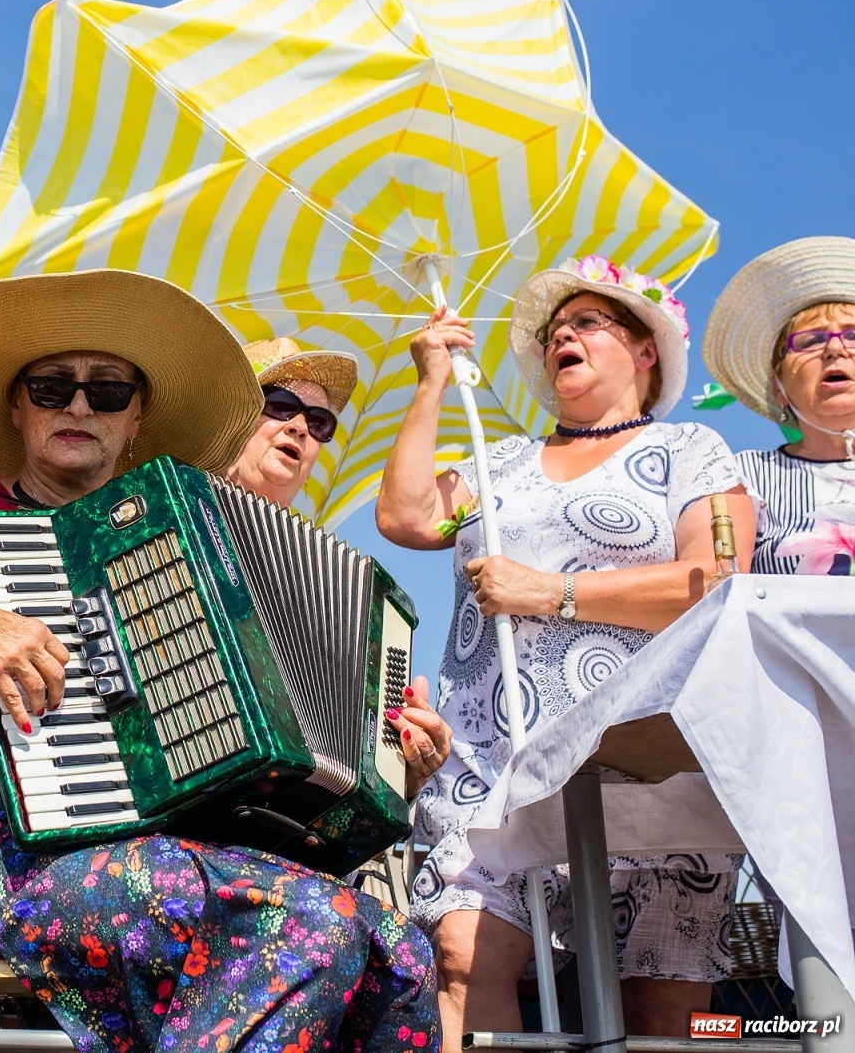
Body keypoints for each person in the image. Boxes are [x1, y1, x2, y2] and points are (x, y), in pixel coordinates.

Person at [0, 268, 450, 1053]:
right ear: (15, 406)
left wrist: (399, 755)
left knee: (399, 953)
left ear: (136, 418)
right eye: (50, 388)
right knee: (305, 923)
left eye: (106, 392)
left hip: (162, 849)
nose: (78, 405)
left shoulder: (180, 543)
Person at [374, 256, 757, 1047]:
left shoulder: (692, 448)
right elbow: (407, 515)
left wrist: (552, 591)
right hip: (496, 760)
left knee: (664, 1010)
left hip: (647, 753)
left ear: (646, 350)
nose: (563, 338)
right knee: (462, 955)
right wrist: (433, 382)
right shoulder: (500, 458)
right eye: (555, 331)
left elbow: (717, 577)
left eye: (587, 323)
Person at [703, 236, 855, 574]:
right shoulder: (746, 475)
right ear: (779, 387)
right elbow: (723, 586)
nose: (834, 349)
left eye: (853, 335)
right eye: (811, 340)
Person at [226, 337, 357, 509]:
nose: (301, 427)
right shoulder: (179, 496)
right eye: (281, 405)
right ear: (230, 421)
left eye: (319, 422)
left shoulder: (303, 537)